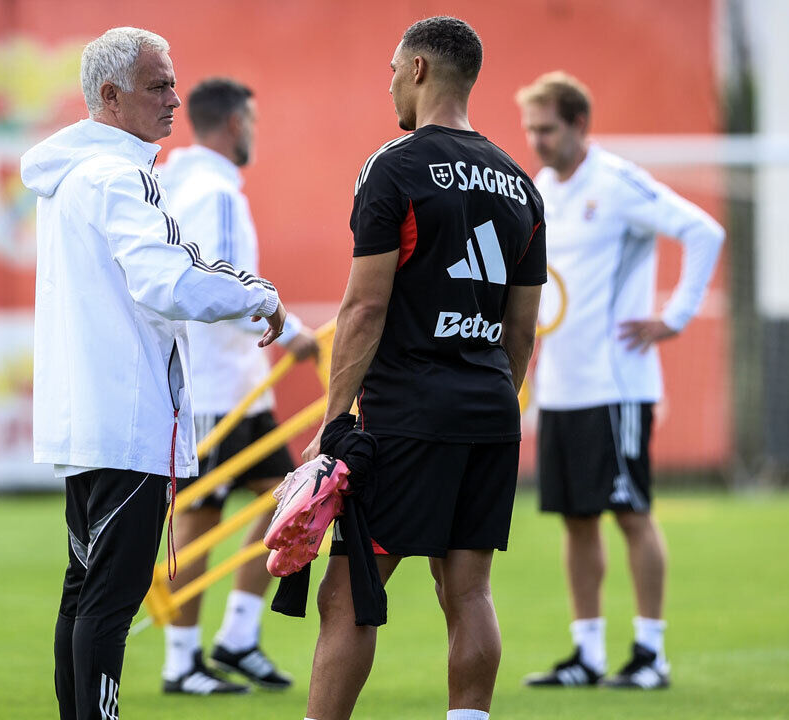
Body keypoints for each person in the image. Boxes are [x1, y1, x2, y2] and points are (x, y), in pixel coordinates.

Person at [20, 27, 288, 720]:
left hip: (90, 421)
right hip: (128, 420)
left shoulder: (77, 175)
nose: (175, 99)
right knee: (107, 602)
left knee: (83, 594)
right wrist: (257, 294)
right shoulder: (120, 175)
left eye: (172, 82)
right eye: (158, 85)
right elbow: (167, 280)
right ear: (110, 98)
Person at [298, 17, 545, 720]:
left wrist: (333, 420)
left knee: (349, 594)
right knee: (467, 591)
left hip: (406, 414)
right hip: (490, 412)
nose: (389, 87)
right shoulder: (520, 183)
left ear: (417, 71)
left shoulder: (395, 166)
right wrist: (492, 397)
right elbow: (520, 331)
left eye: (391, 72)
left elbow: (364, 310)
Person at [515, 71, 724, 690]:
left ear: (579, 124)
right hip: (561, 387)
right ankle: (586, 655)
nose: (536, 141)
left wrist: (675, 317)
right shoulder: (538, 189)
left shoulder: (618, 181)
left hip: (616, 385)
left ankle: (650, 654)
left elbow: (704, 231)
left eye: (546, 129)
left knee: (630, 514)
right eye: (530, 129)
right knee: (576, 519)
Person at [156, 76, 319, 695]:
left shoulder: (179, 185)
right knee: (205, 518)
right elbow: (223, 285)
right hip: (217, 389)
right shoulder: (216, 192)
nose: (253, 132)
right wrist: (292, 330)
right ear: (232, 124)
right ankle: (185, 659)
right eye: (250, 120)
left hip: (223, 384)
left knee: (286, 504)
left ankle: (236, 639)